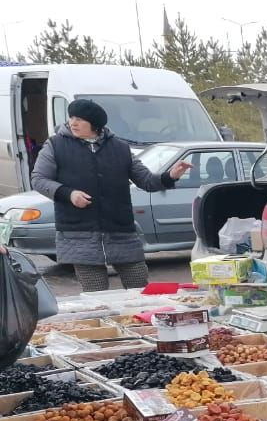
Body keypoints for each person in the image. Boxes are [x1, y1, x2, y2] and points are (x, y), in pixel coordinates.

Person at [30, 99, 191, 293]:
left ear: (95, 124)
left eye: (80, 119)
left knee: (140, 291)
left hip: (121, 233)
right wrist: (68, 194)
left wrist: (169, 176)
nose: (73, 122)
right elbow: (39, 179)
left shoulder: (120, 148)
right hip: (79, 235)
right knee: (97, 296)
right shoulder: (55, 145)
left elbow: (147, 181)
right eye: (72, 117)